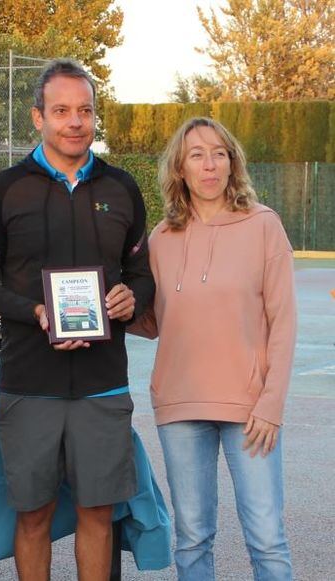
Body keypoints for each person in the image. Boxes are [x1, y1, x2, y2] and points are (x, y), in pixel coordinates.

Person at [0, 59, 155, 580]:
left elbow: (142, 274)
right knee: (34, 516)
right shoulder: (3, 190)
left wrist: (129, 298)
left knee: (98, 514)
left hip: (102, 386)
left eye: (86, 110)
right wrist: (34, 312)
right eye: (62, 111)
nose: (76, 121)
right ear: (38, 117)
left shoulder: (123, 188)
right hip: (30, 386)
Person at [131, 117, 295, 580]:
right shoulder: (161, 238)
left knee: (266, 538)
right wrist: (108, 309)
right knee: (192, 539)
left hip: (250, 411)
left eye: (219, 153)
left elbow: (284, 322)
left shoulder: (264, 225)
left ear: (232, 163)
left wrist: (271, 403)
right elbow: (156, 322)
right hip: (180, 405)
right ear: (180, 168)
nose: (209, 164)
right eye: (197, 155)